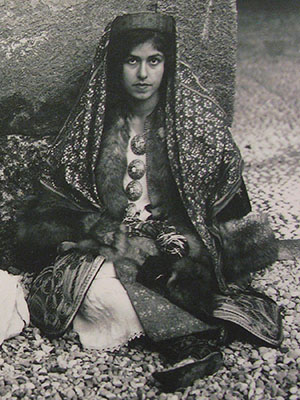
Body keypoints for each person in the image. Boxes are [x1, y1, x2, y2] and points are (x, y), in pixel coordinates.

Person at [16, 12, 283, 391]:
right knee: (99, 293)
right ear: (117, 66)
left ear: (167, 64)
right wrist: (107, 235)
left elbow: (228, 211)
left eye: (153, 61)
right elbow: (57, 207)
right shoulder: (94, 127)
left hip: (176, 247)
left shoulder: (194, 123)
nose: (143, 74)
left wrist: (187, 246)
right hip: (111, 250)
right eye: (132, 61)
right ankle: (191, 339)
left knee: (174, 279)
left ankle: (184, 331)